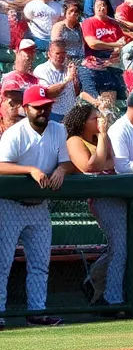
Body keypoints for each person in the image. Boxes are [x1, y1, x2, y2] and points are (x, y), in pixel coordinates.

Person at [0, 86, 75, 327]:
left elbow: (69, 161)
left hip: (40, 206)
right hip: (10, 206)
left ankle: (37, 313)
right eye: (38, 106)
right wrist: (30, 170)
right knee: (2, 264)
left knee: (40, 263)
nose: (44, 110)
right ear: (26, 108)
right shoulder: (15, 133)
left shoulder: (58, 129)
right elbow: (1, 166)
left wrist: (63, 169)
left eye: (47, 105)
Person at [63, 103, 118, 306]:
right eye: (95, 118)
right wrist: (103, 136)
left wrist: (102, 148)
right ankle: (102, 289)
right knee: (119, 247)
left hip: (116, 196)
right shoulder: (75, 140)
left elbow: (113, 162)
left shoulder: (101, 138)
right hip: (98, 198)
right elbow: (90, 166)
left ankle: (97, 286)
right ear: (82, 121)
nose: (100, 121)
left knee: (121, 247)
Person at [34, 39, 79, 122]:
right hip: (54, 115)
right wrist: (67, 79)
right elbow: (48, 93)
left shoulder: (68, 69)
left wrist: (75, 79)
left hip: (71, 114)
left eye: (63, 53)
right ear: (49, 54)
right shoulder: (42, 70)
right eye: (57, 53)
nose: (60, 56)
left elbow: (75, 93)